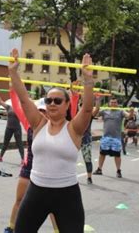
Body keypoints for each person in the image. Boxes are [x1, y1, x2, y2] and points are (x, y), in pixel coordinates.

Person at [9, 48, 94, 233]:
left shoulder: (74, 128)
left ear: (67, 105)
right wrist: (13, 72)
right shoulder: (39, 124)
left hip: (67, 195)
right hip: (36, 191)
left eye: (57, 101)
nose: (52, 104)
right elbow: (24, 99)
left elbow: (87, 109)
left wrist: (88, 79)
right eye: (49, 101)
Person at [4, 99, 58, 233]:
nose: (41, 114)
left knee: (52, 207)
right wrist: (12, 89)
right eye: (39, 111)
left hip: (47, 170)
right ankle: (11, 227)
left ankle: (57, 230)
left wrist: (73, 98)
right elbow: (18, 105)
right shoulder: (29, 124)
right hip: (29, 167)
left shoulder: (54, 127)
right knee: (19, 200)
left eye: (43, 111)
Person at [93, 98, 132, 178]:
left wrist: (131, 112)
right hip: (106, 137)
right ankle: (99, 169)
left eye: (115, 102)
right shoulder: (105, 111)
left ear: (117, 104)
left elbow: (128, 116)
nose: (113, 104)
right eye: (112, 102)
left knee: (117, 155)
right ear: (109, 103)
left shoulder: (121, 111)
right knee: (102, 154)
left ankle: (118, 171)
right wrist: (97, 102)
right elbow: (95, 114)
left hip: (116, 138)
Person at [0, 89, 24, 163]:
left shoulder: (20, 108)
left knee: (19, 144)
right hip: (9, 128)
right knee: (5, 143)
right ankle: (0, 157)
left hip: (17, 128)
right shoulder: (9, 107)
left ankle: (23, 159)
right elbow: (0, 101)